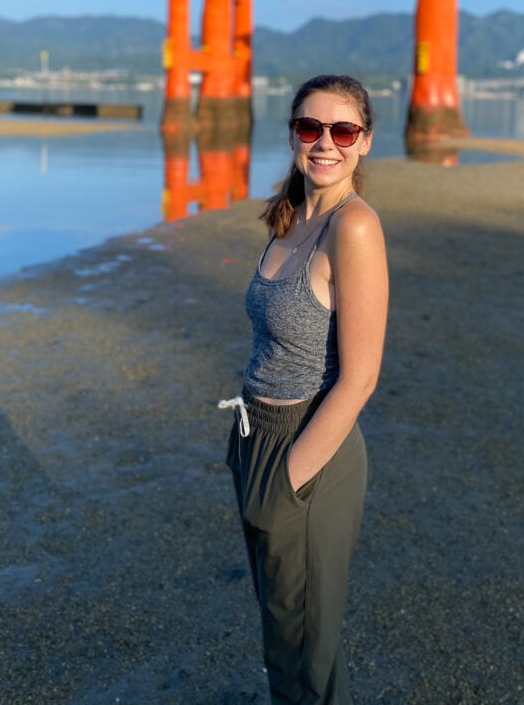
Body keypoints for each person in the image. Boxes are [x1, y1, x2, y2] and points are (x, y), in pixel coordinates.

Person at [220, 74, 389, 704]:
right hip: (253, 436)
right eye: (309, 127)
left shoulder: (355, 227)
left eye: (342, 130)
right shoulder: (289, 217)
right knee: (280, 636)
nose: (325, 143)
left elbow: (361, 376)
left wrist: (288, 479)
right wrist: (252, 456)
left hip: (309, 450)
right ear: (292, 133)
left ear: (364, 141)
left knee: (304, 652)